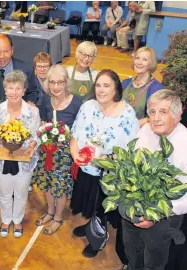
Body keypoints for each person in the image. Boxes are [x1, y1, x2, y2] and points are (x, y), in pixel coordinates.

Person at [70, 69, 139, 258]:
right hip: (85, 169)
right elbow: (75, 134)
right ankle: (90, 225)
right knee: (91, 205)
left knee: (101, 208)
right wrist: (75, 154)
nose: (101, 90)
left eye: (106, 85)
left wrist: (107, 161)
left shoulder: (127, 115)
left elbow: (129, 151)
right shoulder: (88, 106)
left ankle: (97, 239)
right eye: (98, 85)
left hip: (108, 175)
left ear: (116, 88)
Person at [123, 90, 187, 270]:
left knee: (154, 258)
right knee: (132, 247)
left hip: (165, 215)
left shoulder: (185, 144)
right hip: (134, 205)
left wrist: (155, 214)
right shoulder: (145, 131)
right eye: (152, 112)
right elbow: (130, 160)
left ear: (177, 115)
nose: (156, 118)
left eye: (163, 112)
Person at [0, 33, 39, 208]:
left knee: (16, 160)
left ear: (12, 50)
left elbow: (34, 91)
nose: (2, 56)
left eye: (6, 51)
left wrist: (30, 102)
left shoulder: (26, 68)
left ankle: (15, 191)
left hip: (18, 125)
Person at [0, 70, 40, 238]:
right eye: (10, 88)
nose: (14, 92)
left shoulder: (33, 112)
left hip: (24, 161)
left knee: (22, 192)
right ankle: (6, 219)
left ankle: (17, 220)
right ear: (5, 89)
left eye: (18, 88)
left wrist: (32, 145)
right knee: (4, 191)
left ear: (24, 91)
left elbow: (36, 135)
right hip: (2, 161)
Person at [32, 65, 82, 235]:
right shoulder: (46, 100)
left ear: (66, 83)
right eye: (52, 82)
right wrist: (43, 126)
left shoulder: (76, 102)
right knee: (47, 184)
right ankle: (50, 212)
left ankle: (58, 217)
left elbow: (79, 131)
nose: (56, 87)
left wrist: (66, 139)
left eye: (60, 82)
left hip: (64, 155)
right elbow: (43, 121)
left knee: (59, 187)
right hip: (47, 152)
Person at [122, 47, 163, 127]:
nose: (139, 62)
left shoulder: (156, 89)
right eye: (137, 58)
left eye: (144, 59)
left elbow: (154, 117)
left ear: (151, 63)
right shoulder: (125, 83)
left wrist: (132, 125)